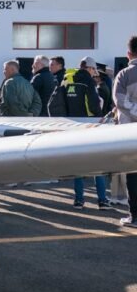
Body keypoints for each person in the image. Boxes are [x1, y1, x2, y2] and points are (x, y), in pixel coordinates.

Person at [49, 56, 109, 208]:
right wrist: (98, 116)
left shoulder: (67, 78)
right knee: (97, 164)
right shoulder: (87, 80)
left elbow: (54, 103)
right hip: (90, 126)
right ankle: (102, 200)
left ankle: (79, 200)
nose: (94, 72)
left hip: (72, 127)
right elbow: (94, 104)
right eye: (93, 69)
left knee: (77, 164)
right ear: (88, 68)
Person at [113, 36, 137, 227]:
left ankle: (135, 216)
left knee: (133, 176)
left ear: (129, 54)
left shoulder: (123, 75)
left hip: (130, 134)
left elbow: (120, 102)